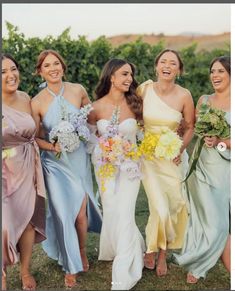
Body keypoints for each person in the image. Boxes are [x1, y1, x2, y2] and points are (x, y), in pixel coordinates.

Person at [31, 49, 102, 288]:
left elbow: (91, 121)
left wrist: (89, 135)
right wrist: (53, 146)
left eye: (57, 64)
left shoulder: (78, 90)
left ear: (63, 66)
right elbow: (35, 138)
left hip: (78, 159)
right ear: (40, 71)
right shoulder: (37, 102)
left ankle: (81, 250)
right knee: (63, 214)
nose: (53, 68)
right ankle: (70, 265)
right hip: (55, 163)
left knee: (80, 215)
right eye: (47, 65)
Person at [88, 58, 145, 290]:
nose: (129, 79)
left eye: (130, 74)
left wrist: (134, 152)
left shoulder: (136, 103)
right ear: (111, 76)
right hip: (105, 167)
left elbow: (143, 136)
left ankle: (124, 269)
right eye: (124, 74)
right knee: (111, 207)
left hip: (131, 167)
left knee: (125, 210)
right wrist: (106, 152)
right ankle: (122, 246)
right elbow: (91, 139)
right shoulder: (96, 106)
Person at [173, 56, 231, 283]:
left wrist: (220, 140)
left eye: (221, 72)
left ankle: (199, 262)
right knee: (207, 218)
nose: (215, 75)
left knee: (221, 224)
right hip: (203, 167)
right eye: (212, 71)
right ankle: (199, 264)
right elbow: (192, 126)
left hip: (227, 169)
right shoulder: (204, 100)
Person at [137, 49, 195, 276]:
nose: (167, 65)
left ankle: (161, 253)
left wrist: (180, 148)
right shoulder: (144, 89)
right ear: (156, 66)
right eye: (163, 61)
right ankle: (151, 248)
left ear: (179, 69)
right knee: (159, 207)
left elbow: (189, 126)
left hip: (172, 157)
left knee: (171, 205)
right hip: (149, 157)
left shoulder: (184, 95)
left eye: (173, 63)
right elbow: (133, 116)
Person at [2, 54, 46, 291]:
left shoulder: (26, 98)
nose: (11, 75)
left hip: (28, 165)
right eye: (3, 72)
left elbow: (34, 133)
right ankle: (2, 273)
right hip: (3, 171)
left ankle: (25, 270)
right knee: (4, 224)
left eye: (14, 69)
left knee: (28, 221)